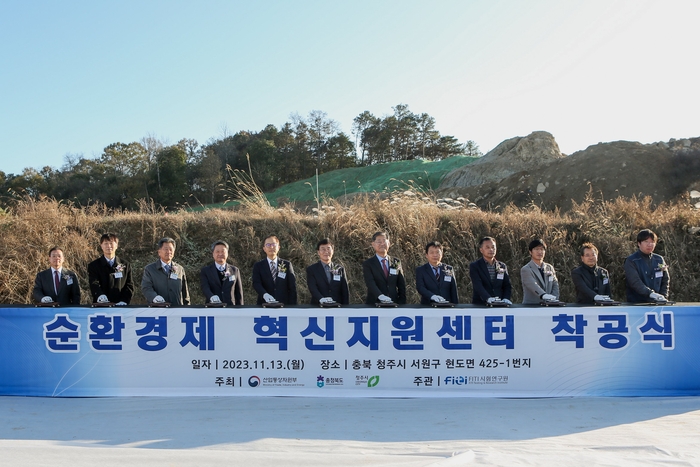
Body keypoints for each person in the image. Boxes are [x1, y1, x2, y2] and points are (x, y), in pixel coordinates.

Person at [624, 229, 670, 303]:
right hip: (637, 303)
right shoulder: (631, 260)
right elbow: (635, 282)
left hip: (658, 303)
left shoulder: (659, 259)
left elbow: (665, 280)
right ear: (639, 243)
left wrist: (663, 296)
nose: (650, 244)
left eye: (652, 242)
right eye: (646, 242)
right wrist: (651, 294)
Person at [87, 233, 134, 305]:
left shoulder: (125, 265)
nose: (109, 246)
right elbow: (94, 283)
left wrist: (124, 300)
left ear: (117, 245)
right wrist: (100, 295)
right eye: (106, 243)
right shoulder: (94, 265)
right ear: (101, 246)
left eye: (111, 243)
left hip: (121, 306)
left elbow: (129, 285)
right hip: (102, 305)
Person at [141, 237, 190, 305]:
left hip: (177, 310)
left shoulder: (179, 269)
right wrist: (154, 297)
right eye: (166, 249)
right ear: (159, 252)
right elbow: (146, 288)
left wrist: (187, 307)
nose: (168, 252)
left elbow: (185, 293)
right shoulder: (150, 269)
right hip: (158, 309)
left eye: (171, 249)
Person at [362, 231, 406, 304]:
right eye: (379, 241)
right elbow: (370, 283)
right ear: (373, 244)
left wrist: (402, 302)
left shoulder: (396, 262)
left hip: (394, 303)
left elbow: (401, 284)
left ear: (389, 243)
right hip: (375, 303)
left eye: (384, 241)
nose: (382, 244)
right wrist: (380, 296)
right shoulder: (368, 264)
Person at [252, 235, 297, 305]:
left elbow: (292, 287)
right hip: (265, 304)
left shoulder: (286, 264)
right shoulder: (258, 266)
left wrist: (293, 305)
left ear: (278, 247)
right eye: (268, 245)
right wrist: (264, 294)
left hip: (283, 304)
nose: (271, 247)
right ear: (264, 249)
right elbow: (256, 283)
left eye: (273, 244)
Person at [469, 236, 512, 305]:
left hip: (499, 303)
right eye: (487, 247)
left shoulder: (502, 266)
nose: (491, 250)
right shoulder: (475, 266)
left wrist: (506, 298)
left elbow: (507, 285)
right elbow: (478, 285)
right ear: (481, 250)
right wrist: (488, 298)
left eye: (493, 247)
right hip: (481, 304)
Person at [306, 238, 350, 305]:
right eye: (323, 249)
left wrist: (345, 306)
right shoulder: (312, 269)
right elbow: (312, 288)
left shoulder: (340, 268)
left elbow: (345, 290)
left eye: (328, 249)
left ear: (333, 250)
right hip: (318, 306)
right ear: (318, 252)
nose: (326, 252)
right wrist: (321, 299)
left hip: (337, 305)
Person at [200, 240, 244, 306]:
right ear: (213, 254)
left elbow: (239, 293)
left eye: (223, 251)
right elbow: (205, 288)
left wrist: (241, 309)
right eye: (217, 251)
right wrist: (211, 296)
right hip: (213, 308)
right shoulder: (206, 271)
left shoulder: (235, 270)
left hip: (230, 308)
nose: (220, 254)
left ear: (227, 253)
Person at [415, 241, 459, 305]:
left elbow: (453, 290)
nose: (435, 255)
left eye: (437, 252)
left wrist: (455, 306)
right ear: (426, 255)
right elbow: (420, 287)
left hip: (447, 306)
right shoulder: (421, 270)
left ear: (442, 254)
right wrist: (432, 296)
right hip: (428, 306)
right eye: (432, 253)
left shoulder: (449, 269)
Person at [520, 238, 560, 304]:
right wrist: (543, 295)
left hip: (550, 305)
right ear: (530, 252)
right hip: (532, 306)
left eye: (542, 249)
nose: (539, 252)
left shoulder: (549, 267)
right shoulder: (526, 269)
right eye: (536, 249)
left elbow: (555, 284)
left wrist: (554, 298)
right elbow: (532, 285)